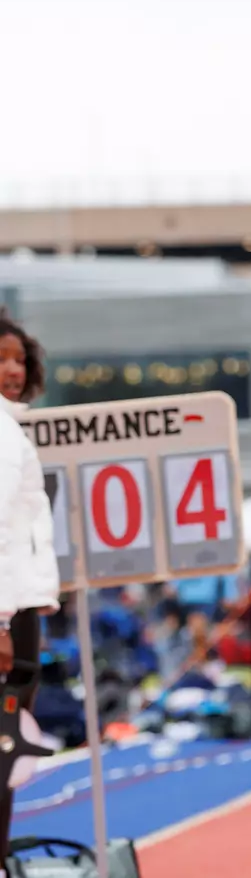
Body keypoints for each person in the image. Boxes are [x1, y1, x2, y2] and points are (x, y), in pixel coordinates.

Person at [0, 312, 59, 850]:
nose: (13, 369)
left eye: (20, 358)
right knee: (3, 748)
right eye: (1, 359)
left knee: (8, 749)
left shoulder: (11, 427)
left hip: (17, 609)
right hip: (5, 615)